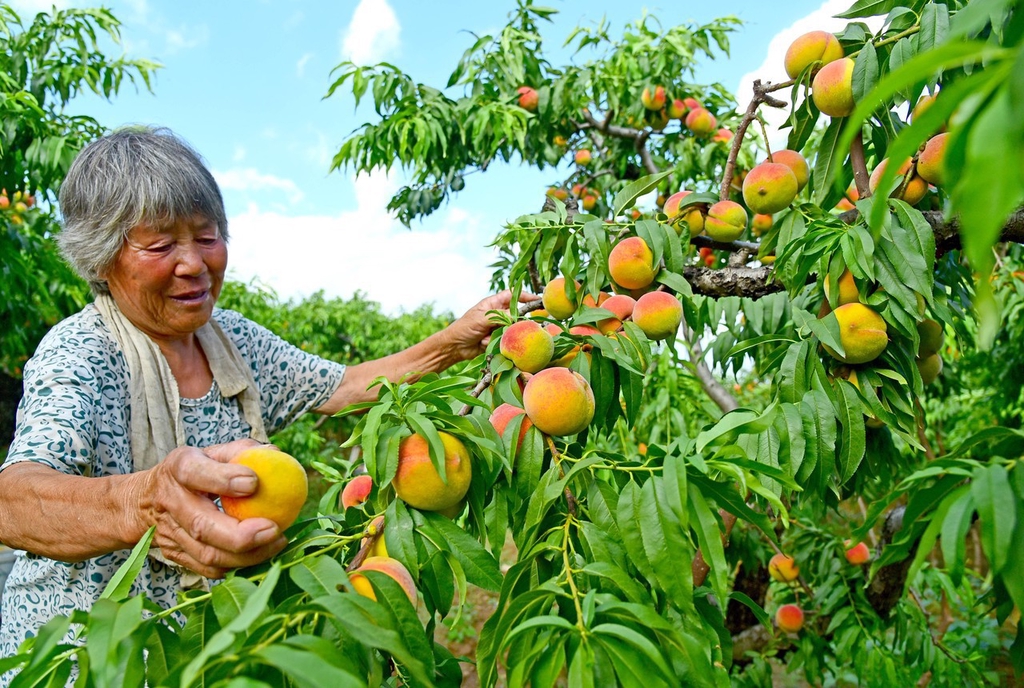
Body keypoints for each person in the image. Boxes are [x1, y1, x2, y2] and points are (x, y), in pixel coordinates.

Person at [0, 126, 519, 670]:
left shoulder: (230, 340)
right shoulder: (82, 352)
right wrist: (142, 502)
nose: (193, 264)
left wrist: (452, 343)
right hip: (93, 662)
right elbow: (13, 503)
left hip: (219, 649)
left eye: (206, 236)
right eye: (159, 245)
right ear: (102, 260)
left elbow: (341, 386)